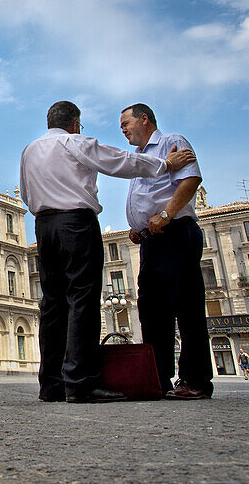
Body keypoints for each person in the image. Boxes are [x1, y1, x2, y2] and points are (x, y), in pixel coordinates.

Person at [19, 100, 195, 404]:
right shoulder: (75, 142)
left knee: (53, 304)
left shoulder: (30, 150)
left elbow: (24, 192)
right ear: (75, 123)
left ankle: (52, 383)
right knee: (82, 300)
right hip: (75, 223)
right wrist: (165, 165)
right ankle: (80, 382)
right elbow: (120, 161)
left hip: (43, 227)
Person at [121, 104, 212, 401]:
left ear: (144, 119)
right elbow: (144, 196)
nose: (123, 129)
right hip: (150, 240)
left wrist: (166, 215)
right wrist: (137, 225)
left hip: (174, 233)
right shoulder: (139, 158)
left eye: (126, 123)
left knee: (186, 307)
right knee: (151, 310)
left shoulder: (173, 142)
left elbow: (190, 180)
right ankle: (158, 378)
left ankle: (195, 379)